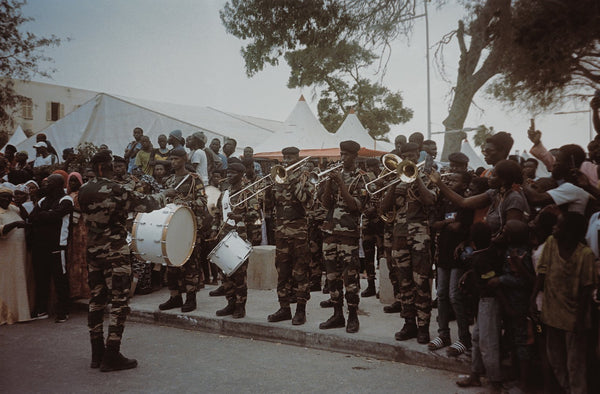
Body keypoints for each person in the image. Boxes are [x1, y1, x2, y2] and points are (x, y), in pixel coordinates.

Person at [78, 150, 174, 372]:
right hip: (114, 252)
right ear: (103, 168)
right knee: (119, 301)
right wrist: (165, 194)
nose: (113, 170)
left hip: (93, 252)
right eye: (110, 166)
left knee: (96, 299)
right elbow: (147, 203)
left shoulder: (83, 190)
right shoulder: (114, 189)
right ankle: (112, 354)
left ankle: (96, 353)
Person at [532, 212, 597, 394]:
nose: (554, 228)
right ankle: (568, 390)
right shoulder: (552, 243)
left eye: (559, 226)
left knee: (575, 364)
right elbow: (542, 273)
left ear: (570, 232)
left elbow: (586, 289)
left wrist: (579, 318)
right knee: (556, 360)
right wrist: (533, 299)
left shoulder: (585, 255)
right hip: (552, 313)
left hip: (574, 319)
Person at [381, 142, 437, 343]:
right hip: (399, 236)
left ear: (418, 156)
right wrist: (396, 182)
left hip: (420, 237)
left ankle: (424, 327)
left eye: (413, 156)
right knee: (404, 282)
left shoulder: (428, 177)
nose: (410, 160)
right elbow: (385, 207)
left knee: (421, 282)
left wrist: (416, 179)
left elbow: (430, 201)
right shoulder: (397, 180)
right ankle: (409, 324)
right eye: (406, 157)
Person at [319, 140, 368, 333]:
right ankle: (337, 314)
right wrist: (330, 184)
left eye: (346, 155)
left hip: (348, 234)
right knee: (332, 277)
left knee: (351, 278)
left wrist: (341, 183)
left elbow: (356, 206)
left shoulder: (362, 179)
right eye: (341, 154)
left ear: (355, 157)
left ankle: (353, 316)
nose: (342, 158)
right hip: (330, 232)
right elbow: (325, 204)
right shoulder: (334, 176)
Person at [265, 147, 314, 326]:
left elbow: (306, 200)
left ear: (297, 157)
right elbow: (269, 206)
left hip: (299, 233)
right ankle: (284, 308)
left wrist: (292, 179)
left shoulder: (304, 177)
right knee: (282, 272)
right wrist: (268, 188)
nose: (286, 160)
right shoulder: (278, 178)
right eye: (284, 157)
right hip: (281, 233)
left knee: (300, 271)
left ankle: (301, 310)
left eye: (290, 157)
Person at [158, 147, 209, 314]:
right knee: (171, 263)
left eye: (176, 159)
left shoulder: (194, 179)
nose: (173, 162)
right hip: (172, 228)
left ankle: (191, 298)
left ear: (185, 159)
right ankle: (175, 296)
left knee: (191, 264)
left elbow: (202, 201)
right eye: (171, 159)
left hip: (190, 227)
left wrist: (186, 204)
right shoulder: (169, 181)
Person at [428, 171, 473, 355]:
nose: (450, 181)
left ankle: (464, 339)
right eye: (449, 179)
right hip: (443, 253)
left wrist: (444, 223)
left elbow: (458, 226)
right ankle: (443, 334)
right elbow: (433, 224)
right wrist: (447, 221)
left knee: (455, 296)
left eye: (455, 179)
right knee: (442, 295)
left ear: (464, 185)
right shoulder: (442, 200)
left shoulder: (466, 202)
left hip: (458, 256)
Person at [214, 163, 260, 318]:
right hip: (224, 236)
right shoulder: (224, 193)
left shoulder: (248, 193)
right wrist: (215, 229)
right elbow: (218, 214)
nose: (229, 176)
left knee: (239, 275)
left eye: (233, 173)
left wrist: (239, 217)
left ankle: (240, 306)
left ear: (241, 175)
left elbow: (255, 215)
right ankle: (230, 303)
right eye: (228, 173)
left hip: (240, 237)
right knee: (225, 272)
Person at [29, 174, 73, 322]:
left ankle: (64, 311)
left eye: (49, 183)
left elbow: (55, 216)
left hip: (57, 246)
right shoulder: (43, 200)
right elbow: (32, 218)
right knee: (42, 279)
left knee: (60, 279)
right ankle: (42, 309)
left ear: (58, 185)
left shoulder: (66, 200)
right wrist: (47, 216)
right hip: (41, 246)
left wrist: (45, 216)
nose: (46, 186)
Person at [524, 144, 591, 215]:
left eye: (558, 160)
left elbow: (535, 199)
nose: (554, 164)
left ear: (570, 164)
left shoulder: (572, 188)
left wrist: (523, 180)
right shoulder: (565, 185)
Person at [0, 186, 30, 325]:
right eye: (3, 196)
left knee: (18, 279)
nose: (6, 199)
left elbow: (26, 217)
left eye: (8, 197)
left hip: (19, 253)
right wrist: (15, 223)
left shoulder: (14, 209)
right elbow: (2, 230)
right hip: (5, 254)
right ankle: (7, 314)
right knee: (6, 281)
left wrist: (18, 203)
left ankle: (21, 313)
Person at [66, 172, 90, 299]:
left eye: (75, 181)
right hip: (71, 231)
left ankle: (84, 289)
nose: (73, 184)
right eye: (71, 181)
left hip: (81, 229)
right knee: (73, 258)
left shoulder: (82, 195)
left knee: (82, 258)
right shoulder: (66, 195)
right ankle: (74, 290)